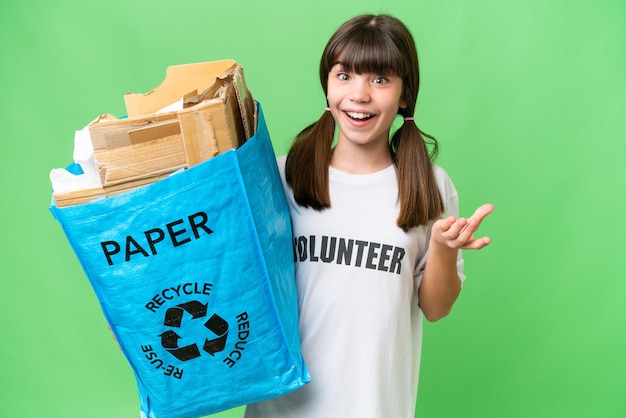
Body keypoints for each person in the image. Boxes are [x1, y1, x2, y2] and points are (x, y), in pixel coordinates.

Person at [245, 13, 493, 418]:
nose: (358, 94)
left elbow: (436, 307)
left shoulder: (429, 185)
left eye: (380, 79)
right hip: (281, 410)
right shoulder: (282, 175)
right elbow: (236, 276)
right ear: (327, 84)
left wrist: (443, 249)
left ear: (404, 95)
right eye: (344, 76)